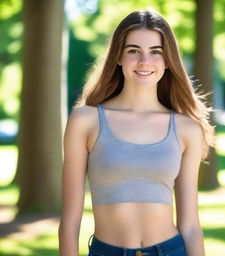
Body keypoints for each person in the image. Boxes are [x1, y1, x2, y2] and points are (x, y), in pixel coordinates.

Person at [58, 9, 215, 256]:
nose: (145, 61)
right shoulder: (85, 121)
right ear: (118, 56)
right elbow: (69, 222)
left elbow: (191, 224)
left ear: (167, 60)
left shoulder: (187, 129)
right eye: (133, 51)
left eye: (156, 52)